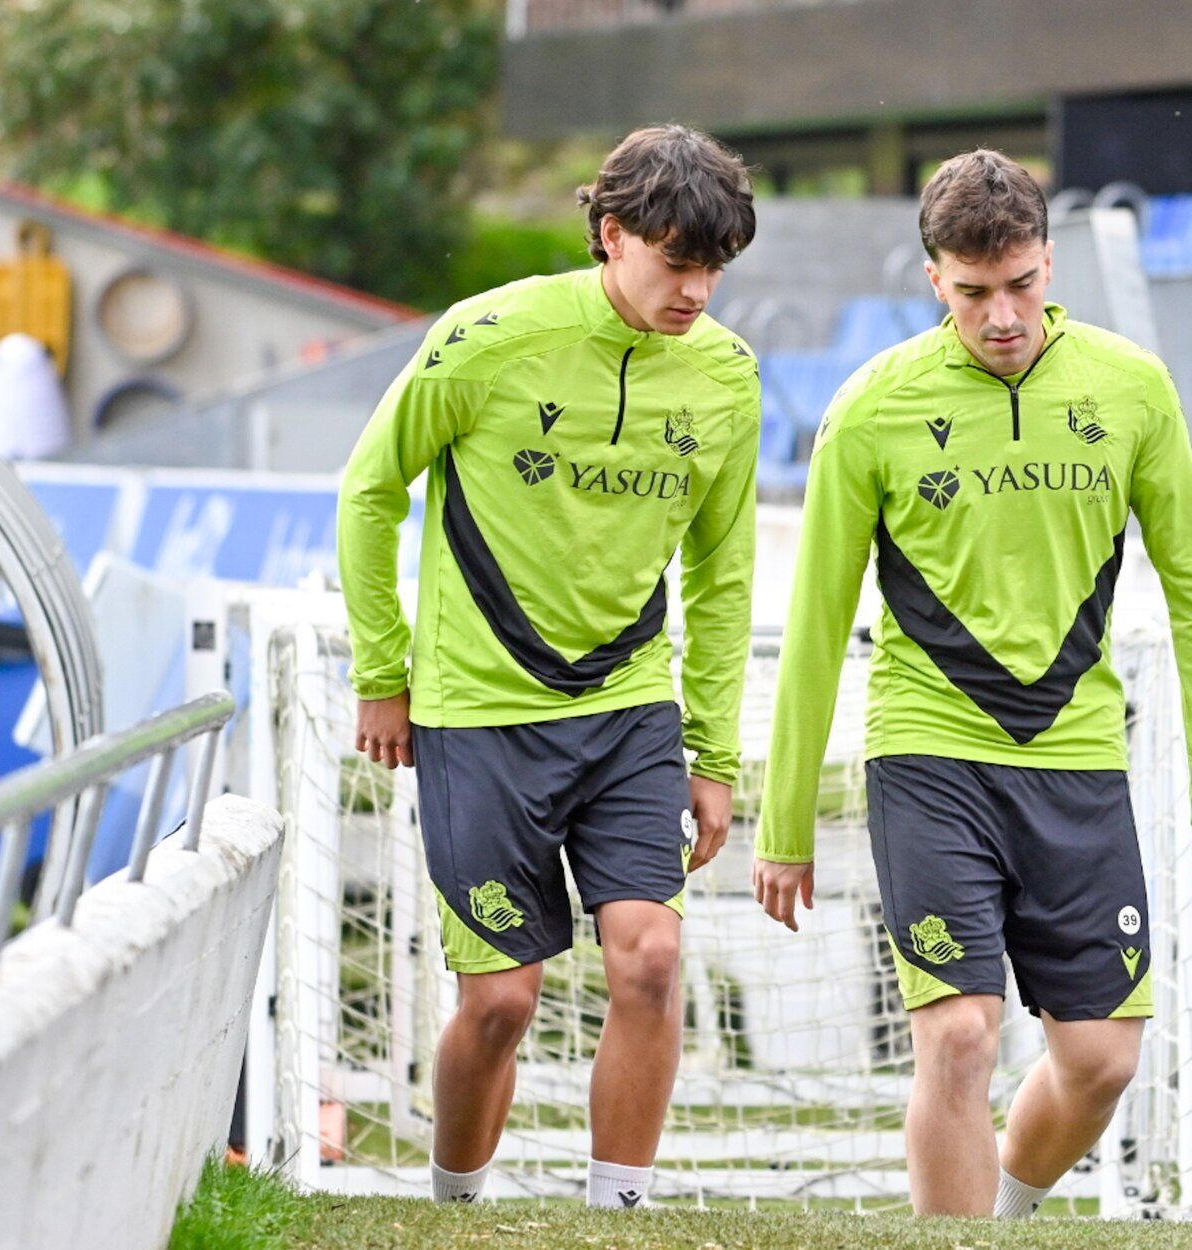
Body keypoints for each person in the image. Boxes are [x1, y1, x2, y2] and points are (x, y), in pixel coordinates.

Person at [753, 149, 1192, 1218]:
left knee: (1102, 1061)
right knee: (960, 1034)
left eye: (1021, 284)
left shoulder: (1132, 389)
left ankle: (1004, 1222)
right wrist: (784, 823)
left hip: (1077, 758)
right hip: (928, 753)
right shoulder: (872, 407)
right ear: (935, 278)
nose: (1003, 316)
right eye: (974, 292)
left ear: (1049, 263)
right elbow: (816, 624)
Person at [337, 124, 761, 1209]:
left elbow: (723, 573)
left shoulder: (726, 376)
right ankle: (456, 1208)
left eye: (714, 268)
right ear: (611, 234)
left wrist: (714, 754)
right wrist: (383, 672)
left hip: (629, 710)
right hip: (477, 712)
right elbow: (370, 490)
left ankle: (617, 1213)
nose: (696, 291)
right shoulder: (487, 338)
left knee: (650, 958)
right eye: (676, 261)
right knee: (501, 1003)